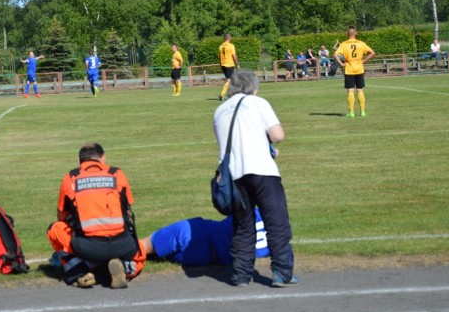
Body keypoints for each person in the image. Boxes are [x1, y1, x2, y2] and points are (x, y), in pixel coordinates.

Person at [212, 70, 297, 288]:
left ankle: (241, 274)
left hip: (233, 176)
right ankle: (281, 272)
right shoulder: (257, 103)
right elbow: (278, 135)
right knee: (276, 221)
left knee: (242, 225)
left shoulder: (219, 110)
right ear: (253, 87)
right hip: (261, 170)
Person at [47, 143, 145, 289]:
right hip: (123, 245)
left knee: (54, 229)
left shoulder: (70, 178)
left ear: (79, 161)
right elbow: (128, 209)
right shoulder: (117, 174)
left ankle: (81, 272)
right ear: (103, 158)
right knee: (141, 253)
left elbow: (62, 216)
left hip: (88, 248)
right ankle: (125, 269)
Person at [140, 208, 270, 266]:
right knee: (155, 256)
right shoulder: (274, 243)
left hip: (199, 231)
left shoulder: (253, 211)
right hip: (204, 257)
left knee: (144, 246)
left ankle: (124, 257)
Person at [334, 26, 376, 117]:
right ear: (356, 33)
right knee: (360, 90)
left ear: (347, 33)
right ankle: (362, 111)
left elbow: (335, 54)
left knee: (350, 91)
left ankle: (351, 112)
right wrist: (363, 61)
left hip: (349, 69)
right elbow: (372, 53)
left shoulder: (344, 44)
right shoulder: (361, 43)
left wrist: (341, 64)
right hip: (359, 68)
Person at [218, 33, 239, 101]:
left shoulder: (221, 46)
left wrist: (221, 64)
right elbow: (234, 56)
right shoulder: (231, 46)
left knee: (230, 80)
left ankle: (232, 94)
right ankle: (221, 94)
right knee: (229, 81)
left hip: (223, 64)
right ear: (229, 38)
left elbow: (219, 56)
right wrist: (237, 64)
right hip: (229, 64)